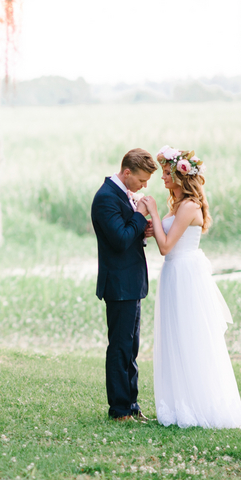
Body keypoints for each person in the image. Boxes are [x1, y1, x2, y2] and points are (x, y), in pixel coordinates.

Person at [138, 146, 241, 429]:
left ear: (179, 175)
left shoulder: (188, 206)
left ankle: (197, 405)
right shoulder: (178, 206)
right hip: (174, 273)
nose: (162, 178)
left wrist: (151, 210)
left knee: (190, 336)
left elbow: (164, 247)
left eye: (165, 173)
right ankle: (179, 403)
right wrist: (153, 225)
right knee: (175, 335)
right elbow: (166, 236)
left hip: (184, 273)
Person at [90, 148, 158, 422]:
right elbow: (118, 240)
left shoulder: (120, 194)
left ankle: (131, 404)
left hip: (131, 282)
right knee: (119, 347)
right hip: (118, 284)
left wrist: (142, 229)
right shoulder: (106, 198)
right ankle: (119, 409)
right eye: (141, 180)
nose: (144, 186)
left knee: (131, 347)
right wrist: (140, 214)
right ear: (127, 172)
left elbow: (127, 233)